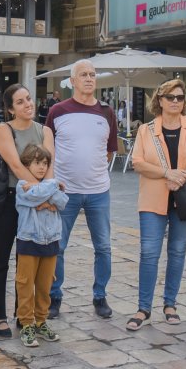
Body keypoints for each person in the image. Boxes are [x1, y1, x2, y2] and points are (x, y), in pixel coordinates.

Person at [127, 80, 186, 331]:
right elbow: (138, 163)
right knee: (149, 253)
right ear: (160, 100)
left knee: (177, 251)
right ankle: (143, 308)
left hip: (185, 200)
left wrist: (181, 176)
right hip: (153, 200)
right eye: (171, 97)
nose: (176, 101)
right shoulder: (147, 130)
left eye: (180, 97)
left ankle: (170, 304)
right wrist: (167, 173)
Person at [45, 60, 118, 319]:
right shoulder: (57, 111)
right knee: (58, 246)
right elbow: (47, 149)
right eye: (83, 75)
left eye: (93, 74)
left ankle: (100, 296)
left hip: (99, 192)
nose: (89, 78)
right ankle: (54, 296)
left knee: (104, 247)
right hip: (66, 191)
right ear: (72, 81)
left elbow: (109, 151)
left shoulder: (107, 112)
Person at [0, 83, 55, 337]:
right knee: (0, 259)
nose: (28, 104)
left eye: (28, 98)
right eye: (20, 102)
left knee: (27, 260)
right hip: (9, 199)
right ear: (10, 109)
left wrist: (44, 195)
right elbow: (16, 166)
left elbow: (50, 166)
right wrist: (39, 195)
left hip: (38, 202)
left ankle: (23, 314)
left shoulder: (45, 130)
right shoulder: (4, 130)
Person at [13, 144, 67, 348]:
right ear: (26, 165)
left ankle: (41, 321)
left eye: (45, 163)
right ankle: (26, 323)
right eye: (37, 163)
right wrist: (53, 188)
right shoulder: (22, 186)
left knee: (45, 284)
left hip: (51, 239)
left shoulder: (44, 184)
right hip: (29, 239)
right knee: (25, 284)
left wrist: (48, 193)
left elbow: (62, 202)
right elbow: (33, 197)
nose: (42, 167)